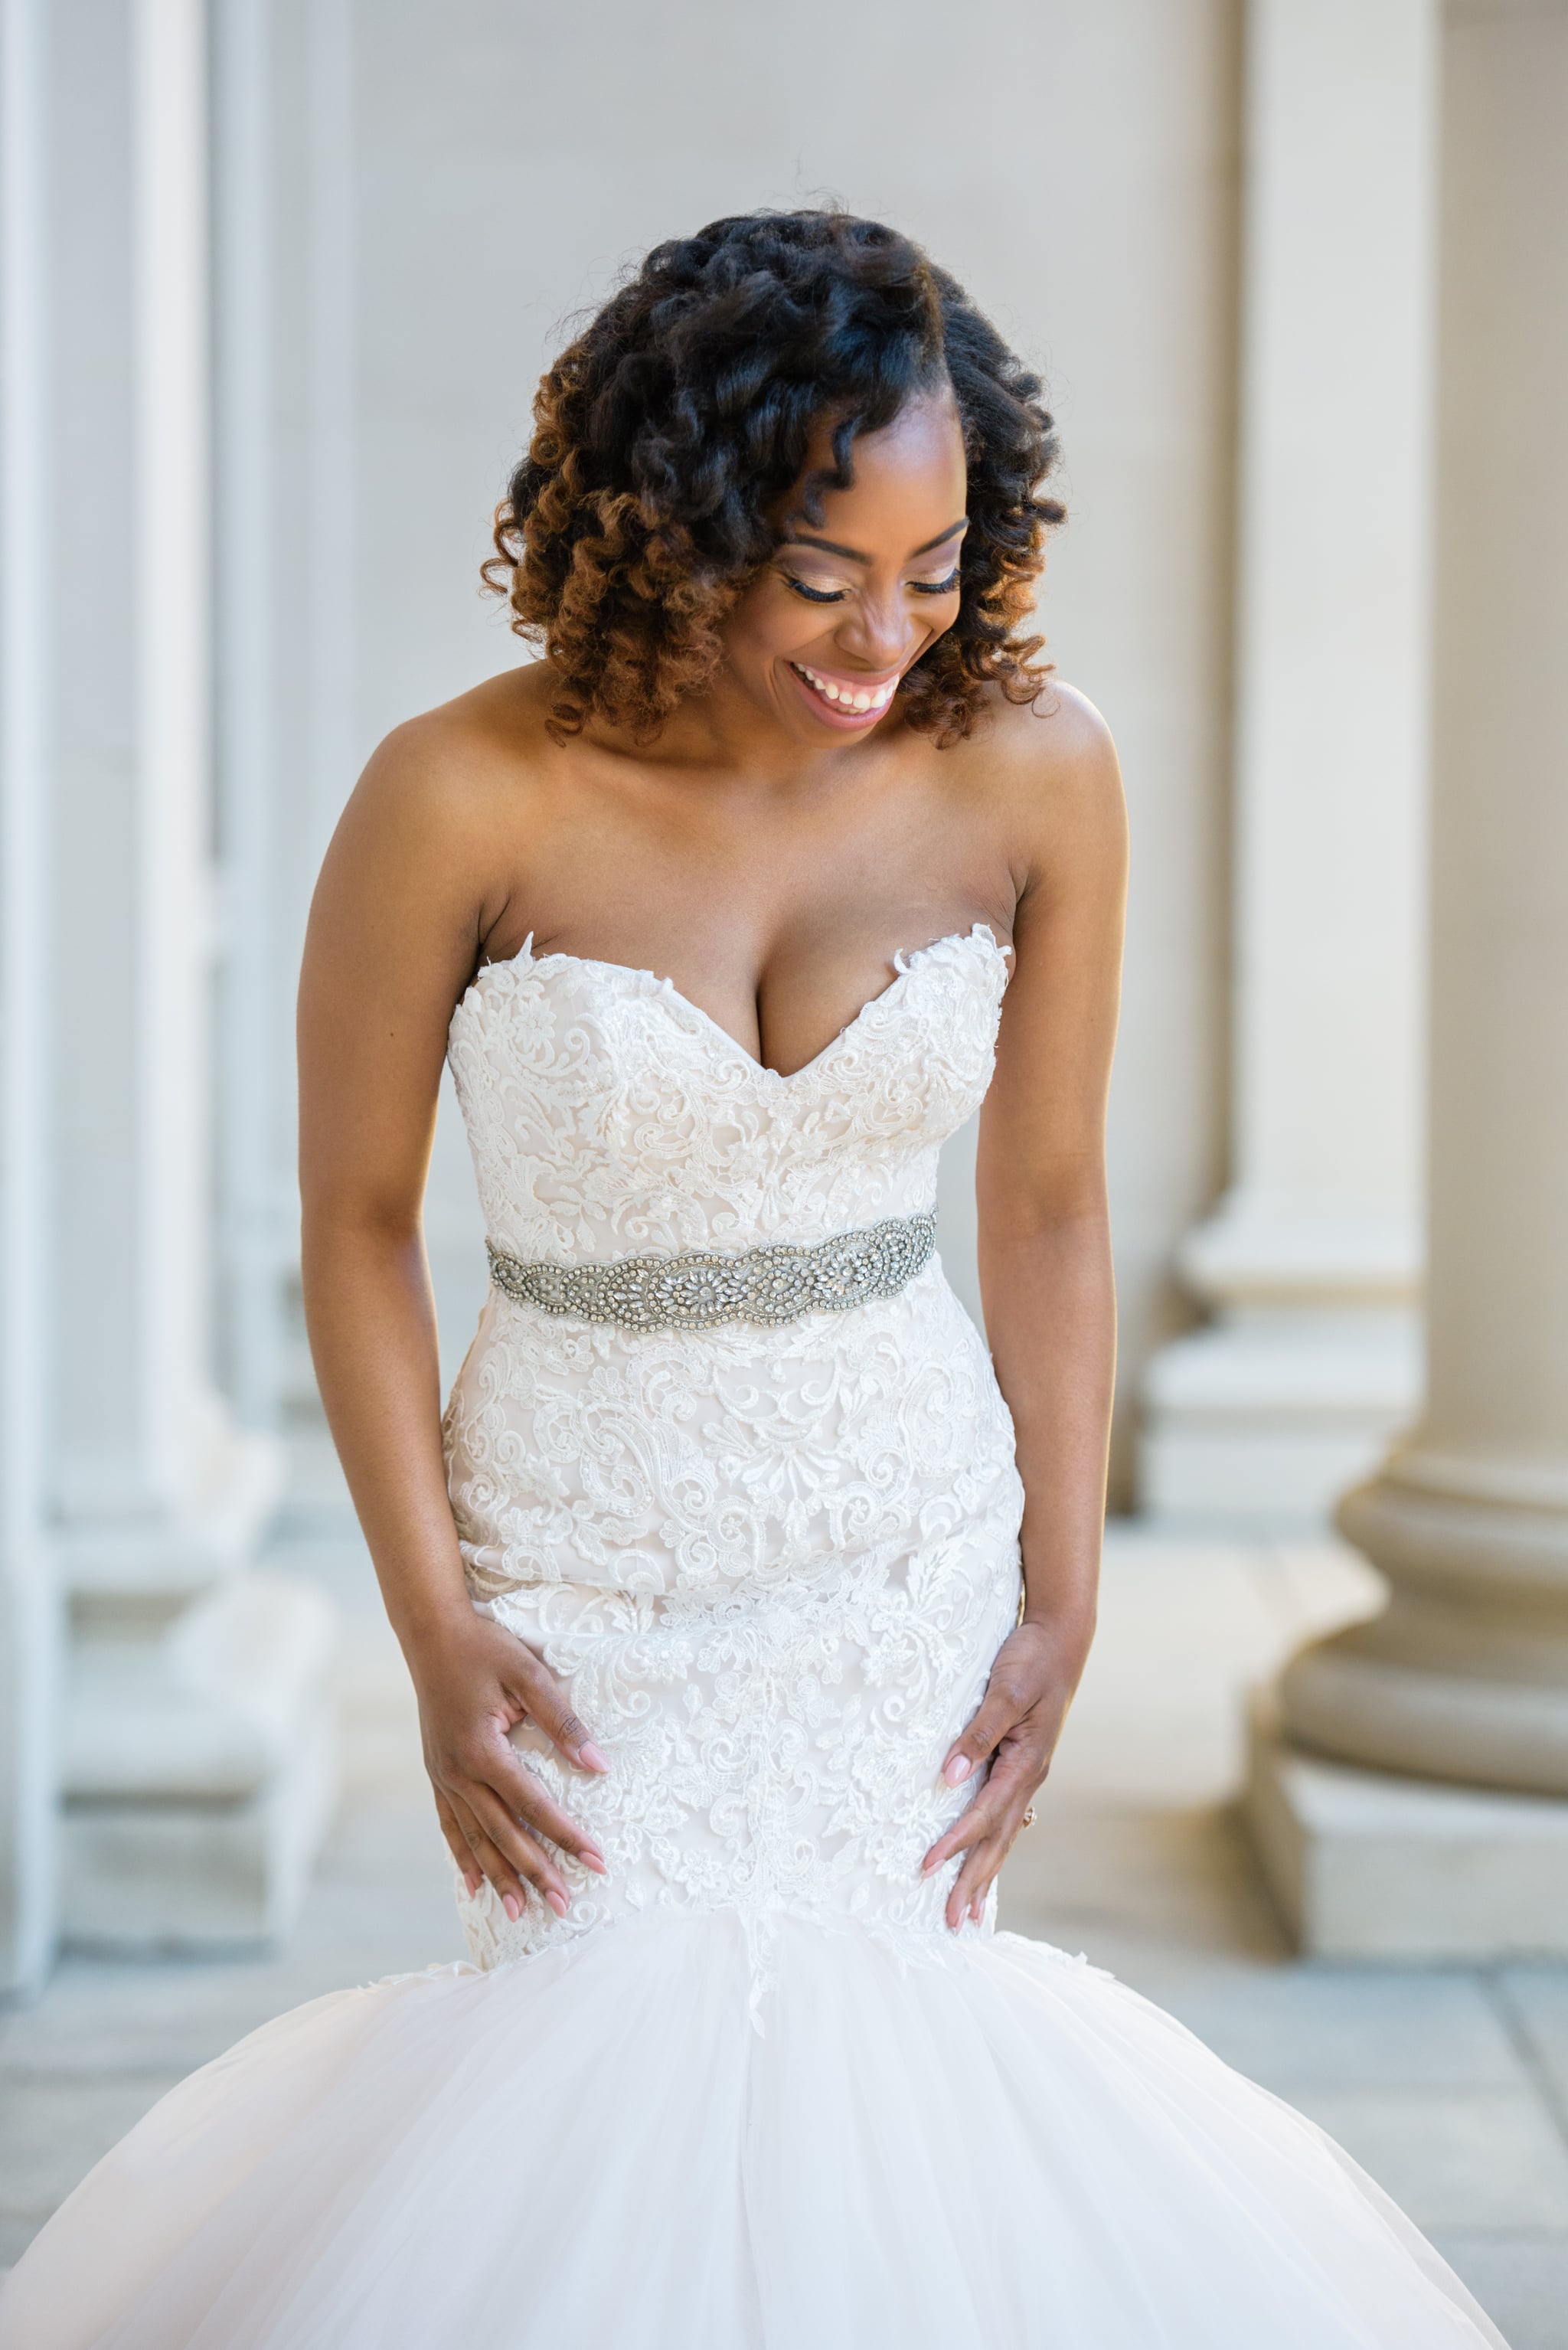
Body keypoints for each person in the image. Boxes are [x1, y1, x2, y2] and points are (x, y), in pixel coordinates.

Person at [0, 208, 1505, 2349]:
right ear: (670, 527)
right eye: (819, 577)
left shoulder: (1040, 771)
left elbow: (1052, 1204)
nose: (883, 637)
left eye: (935, 565)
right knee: (577, 2090)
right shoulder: (457, 794)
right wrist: (435, 1628)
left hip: (902, 1532)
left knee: (902, 2076)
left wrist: (1061, 1591)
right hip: (580, 1548)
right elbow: (354, 1222)